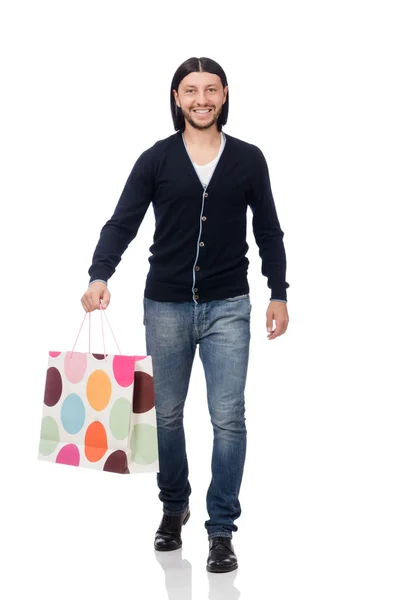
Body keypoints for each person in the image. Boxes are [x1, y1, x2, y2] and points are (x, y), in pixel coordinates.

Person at [81, 56, 290, 573]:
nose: (202, 99)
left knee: (228, 419)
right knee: (165, 416)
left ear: (224, 95)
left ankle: (221, 530)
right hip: (166, 306)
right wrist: (99, 274)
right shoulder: (156, 159)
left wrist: (278, 292)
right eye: (191, 90)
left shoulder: (248, 159)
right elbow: (123, 220)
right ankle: (174, 507)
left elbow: (268, 230)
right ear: (177, 97)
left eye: (211, 89)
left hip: (228, 308)